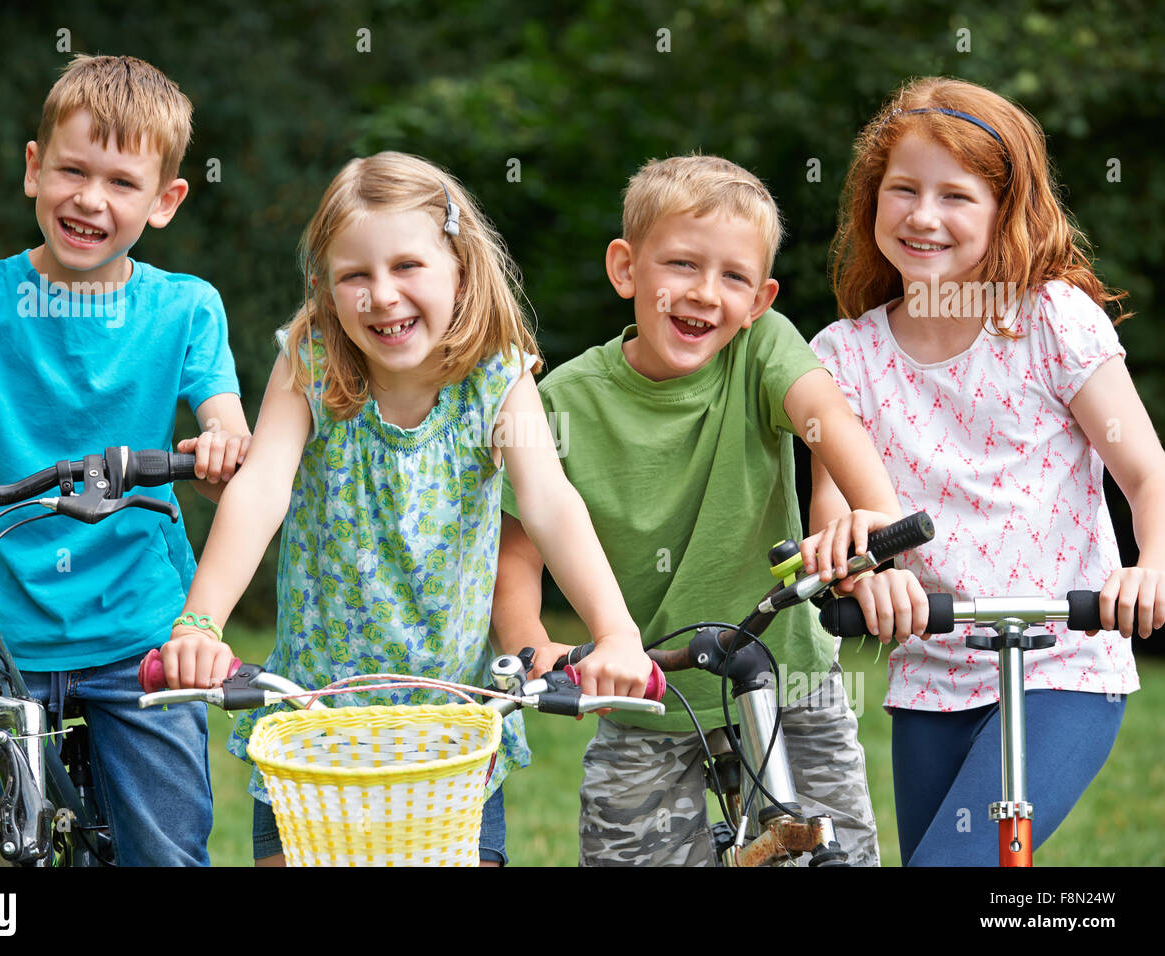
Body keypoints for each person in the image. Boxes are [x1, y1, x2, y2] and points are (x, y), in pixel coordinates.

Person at [160, 151, 652, 866]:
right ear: (325, 288)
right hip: (311, 735)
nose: (383, 296)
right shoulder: (314, 360)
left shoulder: (496, 376)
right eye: (355, 276)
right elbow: (261, 488)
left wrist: (617, 635)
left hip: (452, 741)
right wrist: (199, 622)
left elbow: (549, 502)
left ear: (459, 265)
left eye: (407, 268)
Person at [0, 54, 249, 866]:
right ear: (34, 170)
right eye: (72, 170)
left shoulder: (184, 307)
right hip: (4, 632)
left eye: (120, 181)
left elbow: (224, 414)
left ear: (165, 201)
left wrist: (220, 440)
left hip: (137, 623)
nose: (90, 199)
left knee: (163, 848)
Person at [492, 154, 905, 866]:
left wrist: (878, 519)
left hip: (786, 675)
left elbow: (828, 421)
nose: (706, 294)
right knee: (628, 853)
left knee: (836, 853)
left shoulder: (762, 351)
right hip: (644, 687)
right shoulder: (563, 399)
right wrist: (535, 646)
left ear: (760, 300)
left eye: (734, 277)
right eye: (681, 265)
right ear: (626, 270)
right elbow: (519, 549)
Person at [808, 76, 1164, 866]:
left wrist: (1153, 567)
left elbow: (1146, 472)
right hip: (930, 669)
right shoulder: (844, 358)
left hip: (1063, 659)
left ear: (1006, 210)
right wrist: (865, 577)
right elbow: (834, 522)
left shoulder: (1050, 322)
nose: (923, 216)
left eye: (956, 195)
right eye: (902, 189)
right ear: (872, 200)